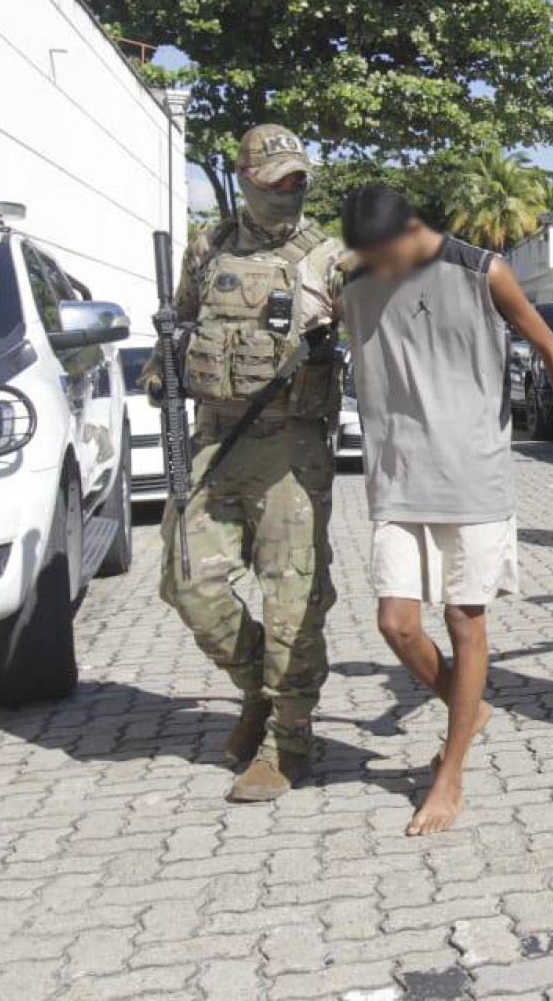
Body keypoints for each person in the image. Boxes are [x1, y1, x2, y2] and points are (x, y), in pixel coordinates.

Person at [338, 186, 553, 835]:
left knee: (462, 620)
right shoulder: (357, 290)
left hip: (473, 477)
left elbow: (549, 346)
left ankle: (449, 775)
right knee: (396, 624)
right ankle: (466, 707)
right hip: (397, 478)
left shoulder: (481, 271)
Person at [159, 124, 347, 803]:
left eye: (299, 180)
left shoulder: (328, 255)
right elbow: (182, 320)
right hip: (214, 437)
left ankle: (288, 739)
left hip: (290, 446)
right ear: (245, 180)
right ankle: (259, 692)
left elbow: (378, 331)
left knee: (293, 596)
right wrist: (162, 366)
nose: (290, 192)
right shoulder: (207, 248)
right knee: (187, 583)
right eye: (276, 181)